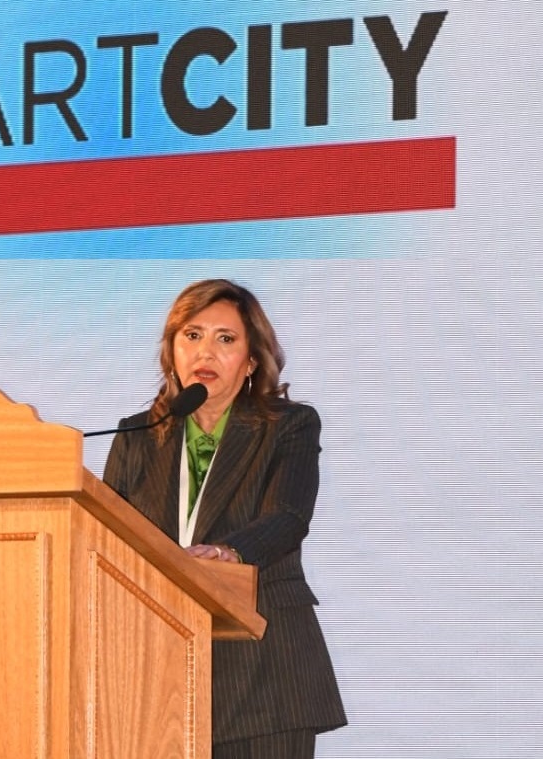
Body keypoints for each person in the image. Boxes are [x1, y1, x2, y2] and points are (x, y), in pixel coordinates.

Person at [103, 279, 346, 759]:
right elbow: (108, 535)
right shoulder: (137, 435)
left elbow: (288, 516)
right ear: (171, 351)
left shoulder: (288, 426)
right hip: (157, 679)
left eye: (226, 338)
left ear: (251, 360)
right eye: (192, 335)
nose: (205, 352)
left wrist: (229, 553)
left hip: (265, 674)